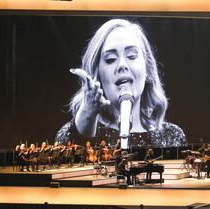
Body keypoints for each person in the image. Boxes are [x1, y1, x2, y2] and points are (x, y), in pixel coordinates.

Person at [56, 18, 186, 148]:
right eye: (110, 59)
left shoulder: (172, 136)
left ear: (147, 68)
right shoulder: (76, 135)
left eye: (131, 56)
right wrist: (87, 113)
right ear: (98, 74)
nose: (122, 65)